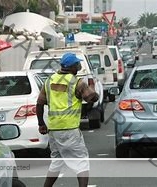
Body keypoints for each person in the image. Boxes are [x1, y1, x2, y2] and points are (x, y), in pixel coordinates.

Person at [36, 52, 99, 187]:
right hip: (69, 129)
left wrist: (41, 124)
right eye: (77, 65)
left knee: (57, 162)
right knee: (81, 161)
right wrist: (93, 89)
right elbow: (92, 98)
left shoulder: (49, 80)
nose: (78, 67)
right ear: (72, 67)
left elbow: (39, 103)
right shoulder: (76, 82)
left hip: (53, 129)